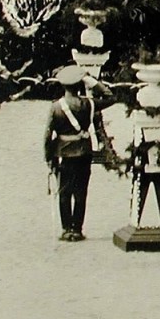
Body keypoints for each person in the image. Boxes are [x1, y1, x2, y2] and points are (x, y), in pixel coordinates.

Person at [43, 65, 114, 242]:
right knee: (81, 192)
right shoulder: (89, 104)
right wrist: (92, 81)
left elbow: (47, 135)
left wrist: (48, 156)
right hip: (84, 152)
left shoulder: (56, 107)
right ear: (80, 84)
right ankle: (77, 229)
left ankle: (67, 230)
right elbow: (111, 97)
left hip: (63, 154)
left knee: (64, 192)